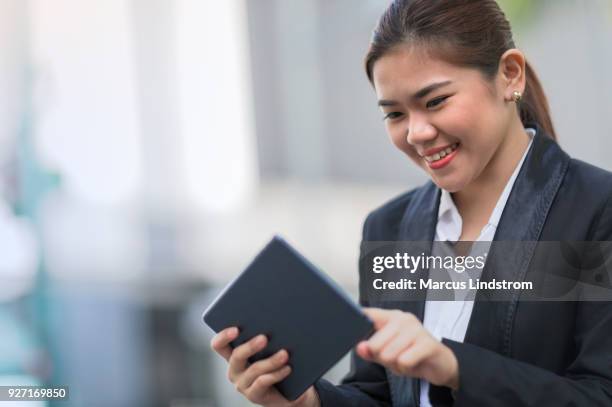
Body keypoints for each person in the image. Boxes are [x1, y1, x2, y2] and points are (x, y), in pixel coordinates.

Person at [210, 0, 612, 405]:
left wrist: (453, 366)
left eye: (435, 101)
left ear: (509, 75)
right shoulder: (389, 227)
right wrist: (308, 402)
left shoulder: (596, 211)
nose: (417, 132)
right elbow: (379, 392)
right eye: (395, 114)